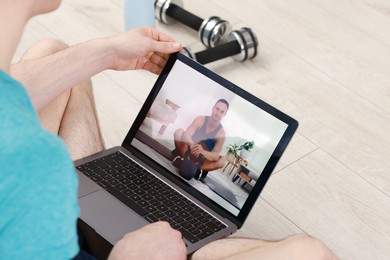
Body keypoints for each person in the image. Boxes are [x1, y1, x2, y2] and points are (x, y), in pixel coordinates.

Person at [0, 0, 338, 259]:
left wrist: (106, 52)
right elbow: (183, 135)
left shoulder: (218, 132)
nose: (218, 111)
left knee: (51, 52)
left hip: (184, 170)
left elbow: (216, 158)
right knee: (310, 252)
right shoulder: (31, 161)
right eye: (218, 107)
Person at [172, 99, 229, 180]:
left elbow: (216, 156)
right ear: (213, 108)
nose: (218, 113)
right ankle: (184, 158)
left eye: (222, 112)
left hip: (202, 158)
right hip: (188, 150)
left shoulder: (221, 133)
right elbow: (186, 135)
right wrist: (192, 146)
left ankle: (197, 167)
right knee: (179, 132)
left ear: (224, 114)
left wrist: (202, 151)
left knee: (222, 160)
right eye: (217, 109)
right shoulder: (200, 119)